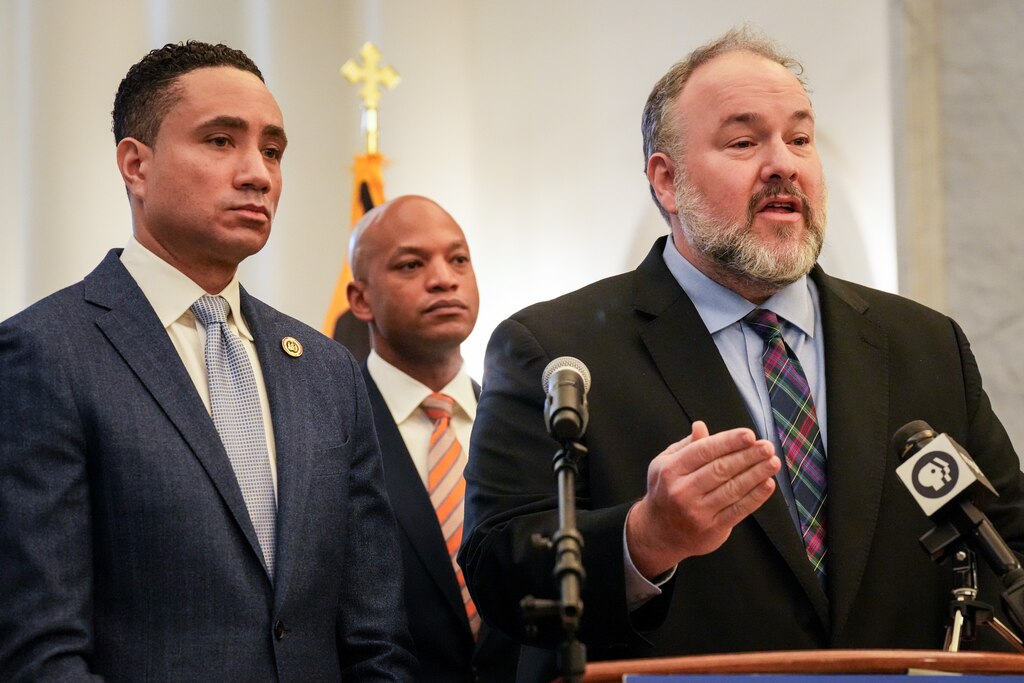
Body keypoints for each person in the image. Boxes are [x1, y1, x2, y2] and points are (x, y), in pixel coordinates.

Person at [459, 26, 1024, 680]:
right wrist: (644, 538)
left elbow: (1007, 544)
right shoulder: (556, 350)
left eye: (801, 139)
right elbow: (498, 571)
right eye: (744, 142)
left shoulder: (924, 344)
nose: (784, 164)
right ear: (666, 181)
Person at [0, 41, 415, 681]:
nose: (258, 175)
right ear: (136, 165)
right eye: (221, 141)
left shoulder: (328, 370)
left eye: (272, 151)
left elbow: (376, 640)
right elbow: (40, 651)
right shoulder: (45, 352)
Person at [346, 195, 520, 681]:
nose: (444, 278)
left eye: (458, 259)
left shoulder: (522, 425)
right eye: (411, 264)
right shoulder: (332, 430)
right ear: (360, 299)